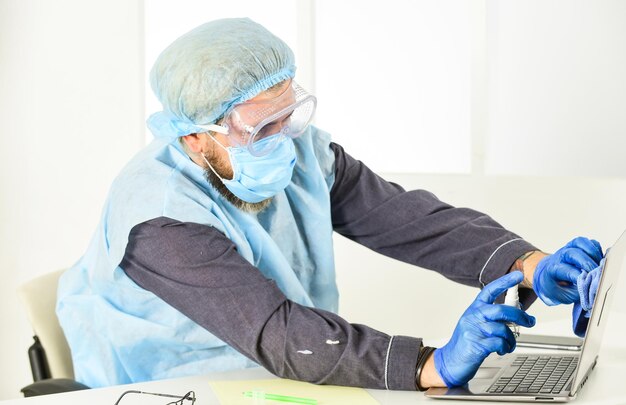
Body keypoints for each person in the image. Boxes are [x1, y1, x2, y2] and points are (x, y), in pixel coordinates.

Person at [56, 18, 604, 390]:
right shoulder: (158, 218)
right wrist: (428, 365)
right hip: (173, 382)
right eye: (261, 127)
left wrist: (530, 264)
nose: (286, 138)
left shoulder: (301, 154)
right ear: (196, 138)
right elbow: (276, 330)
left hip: (283, 368)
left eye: (289, 114)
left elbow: (407, 219)